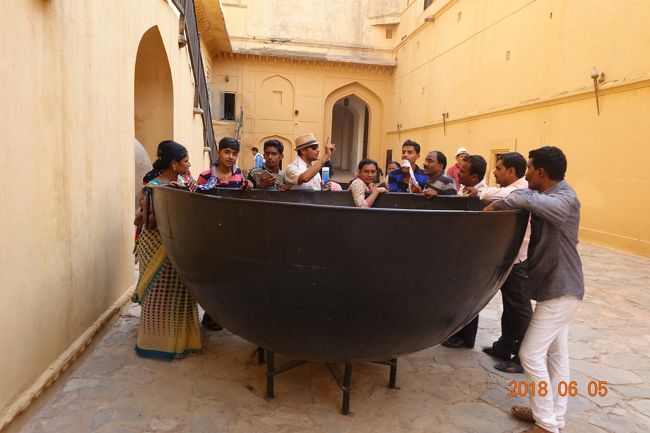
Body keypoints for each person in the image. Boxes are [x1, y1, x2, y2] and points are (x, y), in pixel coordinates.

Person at [485, 146, 584, 433]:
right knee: (557, 356)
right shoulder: (546, 194)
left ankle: (546, 425)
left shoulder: (565, 198)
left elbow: (531, 201)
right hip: (554, 288)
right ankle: (554, 417)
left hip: (561, 289)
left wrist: (513, 198)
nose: (526, 173)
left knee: (529, 354)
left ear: (541, 172)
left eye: (529, 168)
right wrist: (502, 203)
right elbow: (520, 199)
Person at [132, 141, 202, 360]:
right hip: (156, 245)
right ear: (174, 164)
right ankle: (156, 342)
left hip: (178, 244)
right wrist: (171, 200)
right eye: (186, 161)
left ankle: (180, 341)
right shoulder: (153, 187)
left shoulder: (184, 182)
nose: (189, 165)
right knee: (157, 294)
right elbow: (148, 222)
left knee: (178, 292)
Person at [480, 152, 532, 374]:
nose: (494, 171)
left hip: (520, 257)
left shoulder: (519, 190)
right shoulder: (516, 190)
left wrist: (488, 201)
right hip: (510, 255)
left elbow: (489, 195)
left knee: (519, 308)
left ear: (511, 171)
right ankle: (504, 346)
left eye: (499, 168)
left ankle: (524, 357)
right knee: (510, 305)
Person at [441, 154, 487, 348]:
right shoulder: (464, 190)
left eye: (463, 171)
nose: (458, 173)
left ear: (475, 177)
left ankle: (465, 338)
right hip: (462, 249)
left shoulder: (483, 194)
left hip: (473, 251)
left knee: (469, 296)